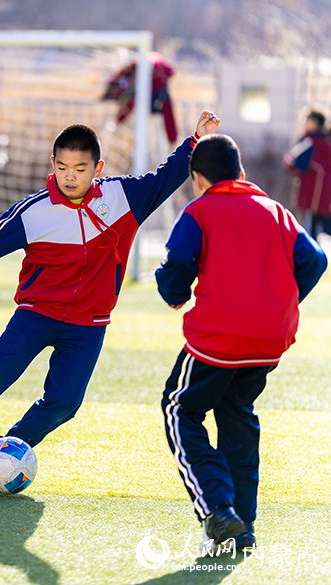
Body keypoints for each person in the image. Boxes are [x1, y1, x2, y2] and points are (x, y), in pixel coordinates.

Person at [0, 111, 221, 474]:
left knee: (65, 403)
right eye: (62, 167)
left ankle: (9, 449)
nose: (69, 176)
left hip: (88, 324)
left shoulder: (125, 197)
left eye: (80, 168)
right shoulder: (34, 211)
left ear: (98, 169)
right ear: (53, 164)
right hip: (36, 315)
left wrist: (196, 140)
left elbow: (166, 176)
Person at [156, 134, 326, 554]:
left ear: (197, 179)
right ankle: (244, 526)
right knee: (237, 415)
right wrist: (276, 301)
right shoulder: (276, 211)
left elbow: (177, 263)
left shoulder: (200, 211)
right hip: (268, 341)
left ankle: (218, 508)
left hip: (218, 340)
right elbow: (316, 260)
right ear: (242, 173)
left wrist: (175, 294)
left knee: (180, 409)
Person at [284, 108, 331, 239]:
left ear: (314, 122)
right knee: (325, 227)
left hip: (312, 195)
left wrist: (288, 160)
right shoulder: (326, 141)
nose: (303, 123)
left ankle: (311, 259)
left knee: (310, 231)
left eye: (306, 120)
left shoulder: (308, 141)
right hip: (325, 194)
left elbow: (294, 163)